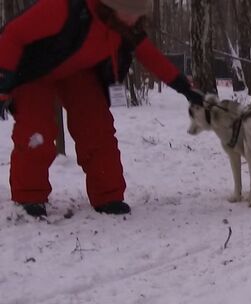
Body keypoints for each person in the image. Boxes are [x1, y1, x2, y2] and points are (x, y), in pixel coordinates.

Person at [0, 0, 204, 218]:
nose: (133, 19)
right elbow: (12, 35)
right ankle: (29, 197)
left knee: (97, 129)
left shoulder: (125, 26)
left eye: (137, 14)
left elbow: (149, 55)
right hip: (32, 71)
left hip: (78, 71)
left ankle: (108, 195)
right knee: (36, 131)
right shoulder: (64, 8)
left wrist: (184, 87)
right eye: (127, 12)